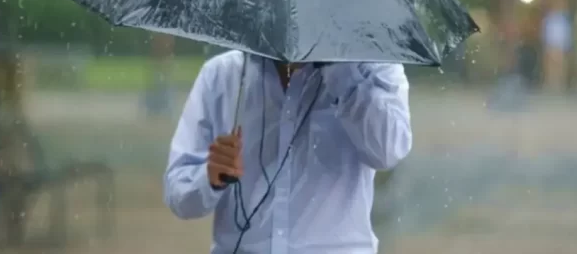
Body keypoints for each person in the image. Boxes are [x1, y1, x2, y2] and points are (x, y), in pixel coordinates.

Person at [163, 50, 412, 254]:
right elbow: (178, 193)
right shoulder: (222, 74)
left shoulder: (374, 69)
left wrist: (341, 72)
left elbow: (388, 150)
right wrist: (210, 176)